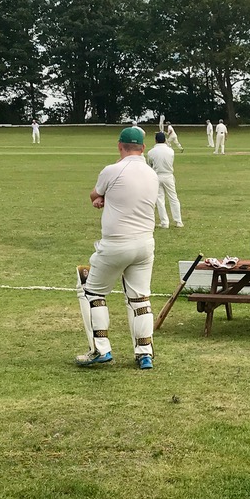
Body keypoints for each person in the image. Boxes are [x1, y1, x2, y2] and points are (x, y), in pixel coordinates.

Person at [75, 126, 161, 370]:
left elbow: (94, 194)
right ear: (143, 148)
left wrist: (100, 198)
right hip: (145, 243)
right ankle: (144, 353)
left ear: (119, 146)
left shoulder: (112, 170)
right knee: (140, 299)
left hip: (116, 244)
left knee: (91, 291)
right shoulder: (151, 174)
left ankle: (100, 349)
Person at [146, 131, 184, 229]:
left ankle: (164, 222)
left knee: (160, 199)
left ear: (155, 140)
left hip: (157, 176)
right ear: (165, 140)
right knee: (173, 198)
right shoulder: (170, 151)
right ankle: (178, 221)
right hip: (168, 175)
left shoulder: (151, 152)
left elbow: (149, 165)